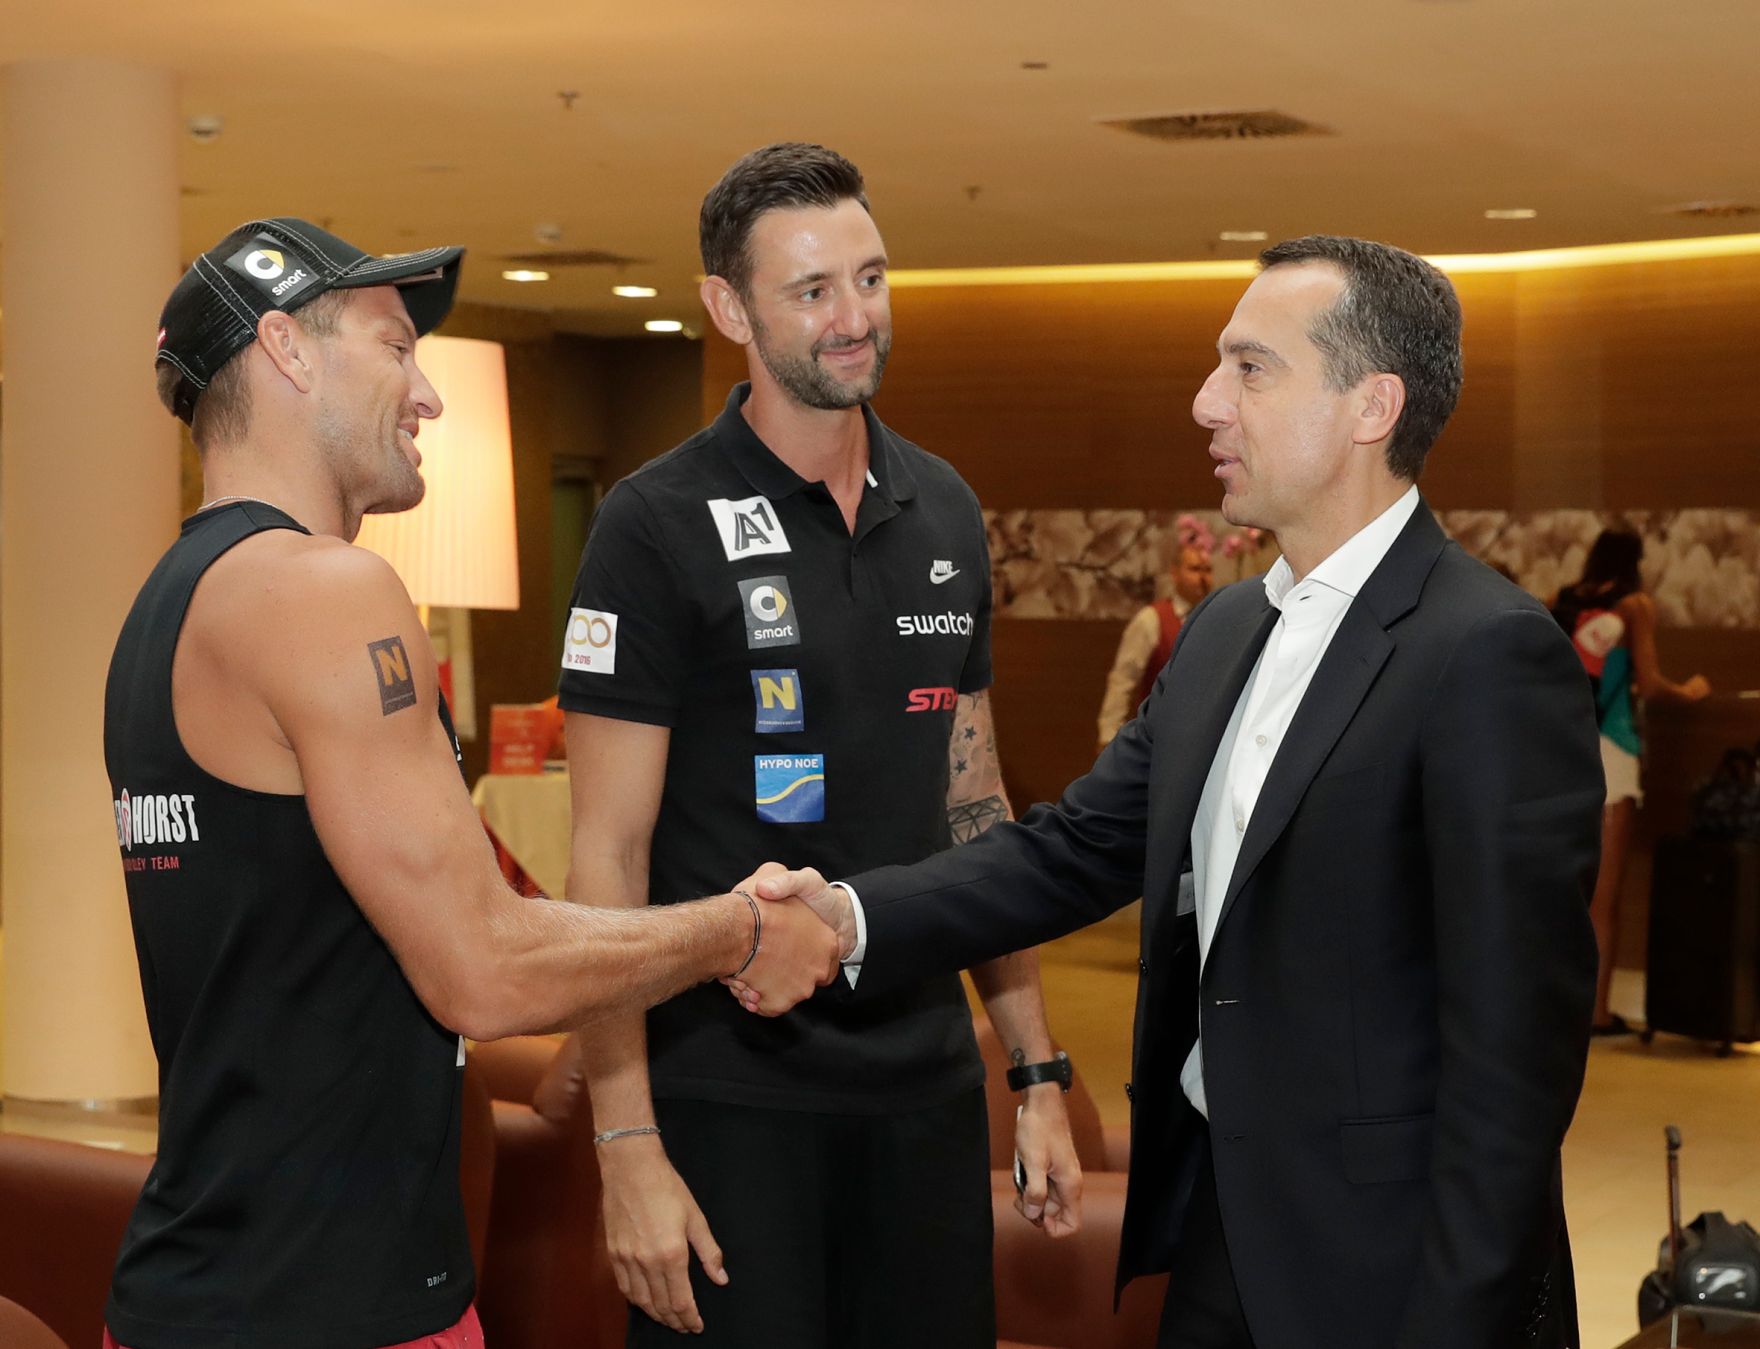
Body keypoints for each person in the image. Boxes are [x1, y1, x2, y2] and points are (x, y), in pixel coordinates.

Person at [750, 236, 1606, 1349]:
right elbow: (1066, 851)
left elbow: (1513, 1068)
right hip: (1217, 1235)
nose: (1206, 402)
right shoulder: (1222, 632)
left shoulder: (1485, 652)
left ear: (1370, 405)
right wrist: (850, 916)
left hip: (1394, 1276)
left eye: (1248, 368)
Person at [102, 218, 839, 1349]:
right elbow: (482, 967)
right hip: (324, 1309)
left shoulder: (170, 601)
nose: (427, 395)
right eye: (397, 347)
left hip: (212, 1285)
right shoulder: (322, 590)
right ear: (288, 348)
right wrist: (735, 929)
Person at [558, 143, 1081, 1346]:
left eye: (871, 277)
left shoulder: (942, 505)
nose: (854, 319)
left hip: (922, 1086)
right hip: (726, 1096)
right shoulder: (652, 526)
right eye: (812, 291)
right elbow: (607, 861)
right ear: (727, 308)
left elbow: (976, 809)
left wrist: (1034, 1068)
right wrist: (625, 1142)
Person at [1551, 525, 1711, 1034]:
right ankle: (1595, 1013)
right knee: (1605, 894)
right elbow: (1650, 680)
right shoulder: (1635, 606)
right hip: (1612, 752)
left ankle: (1553, 1008)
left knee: (1558, 890)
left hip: (1560, 751)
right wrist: (1691, 691)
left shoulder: (1562, 600)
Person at [1098, 527, 1215, 749]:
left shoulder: (1218, 618)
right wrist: (1108, 734)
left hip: (1203, 739)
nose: (1202, 577)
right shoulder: (1151, 619)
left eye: (1207, 569)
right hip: (1156, 738)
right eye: (1194, 569)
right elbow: (1123, 680)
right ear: (1175, 572)